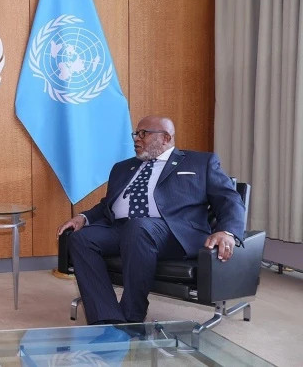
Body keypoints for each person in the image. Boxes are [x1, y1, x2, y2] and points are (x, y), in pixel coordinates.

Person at [56, 115, 246, 325]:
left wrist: (227, 231)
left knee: (139, 227)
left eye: (143, 134)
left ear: (165, 137)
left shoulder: (200, 162)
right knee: (81, 239)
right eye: (136, 134)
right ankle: (107, 318)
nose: (136, 139)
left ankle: (132, 316)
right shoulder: (123, 167)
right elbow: (107, 203)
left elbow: (229, 198)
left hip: (172, 232)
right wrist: (84, 217)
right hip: (123, 228)